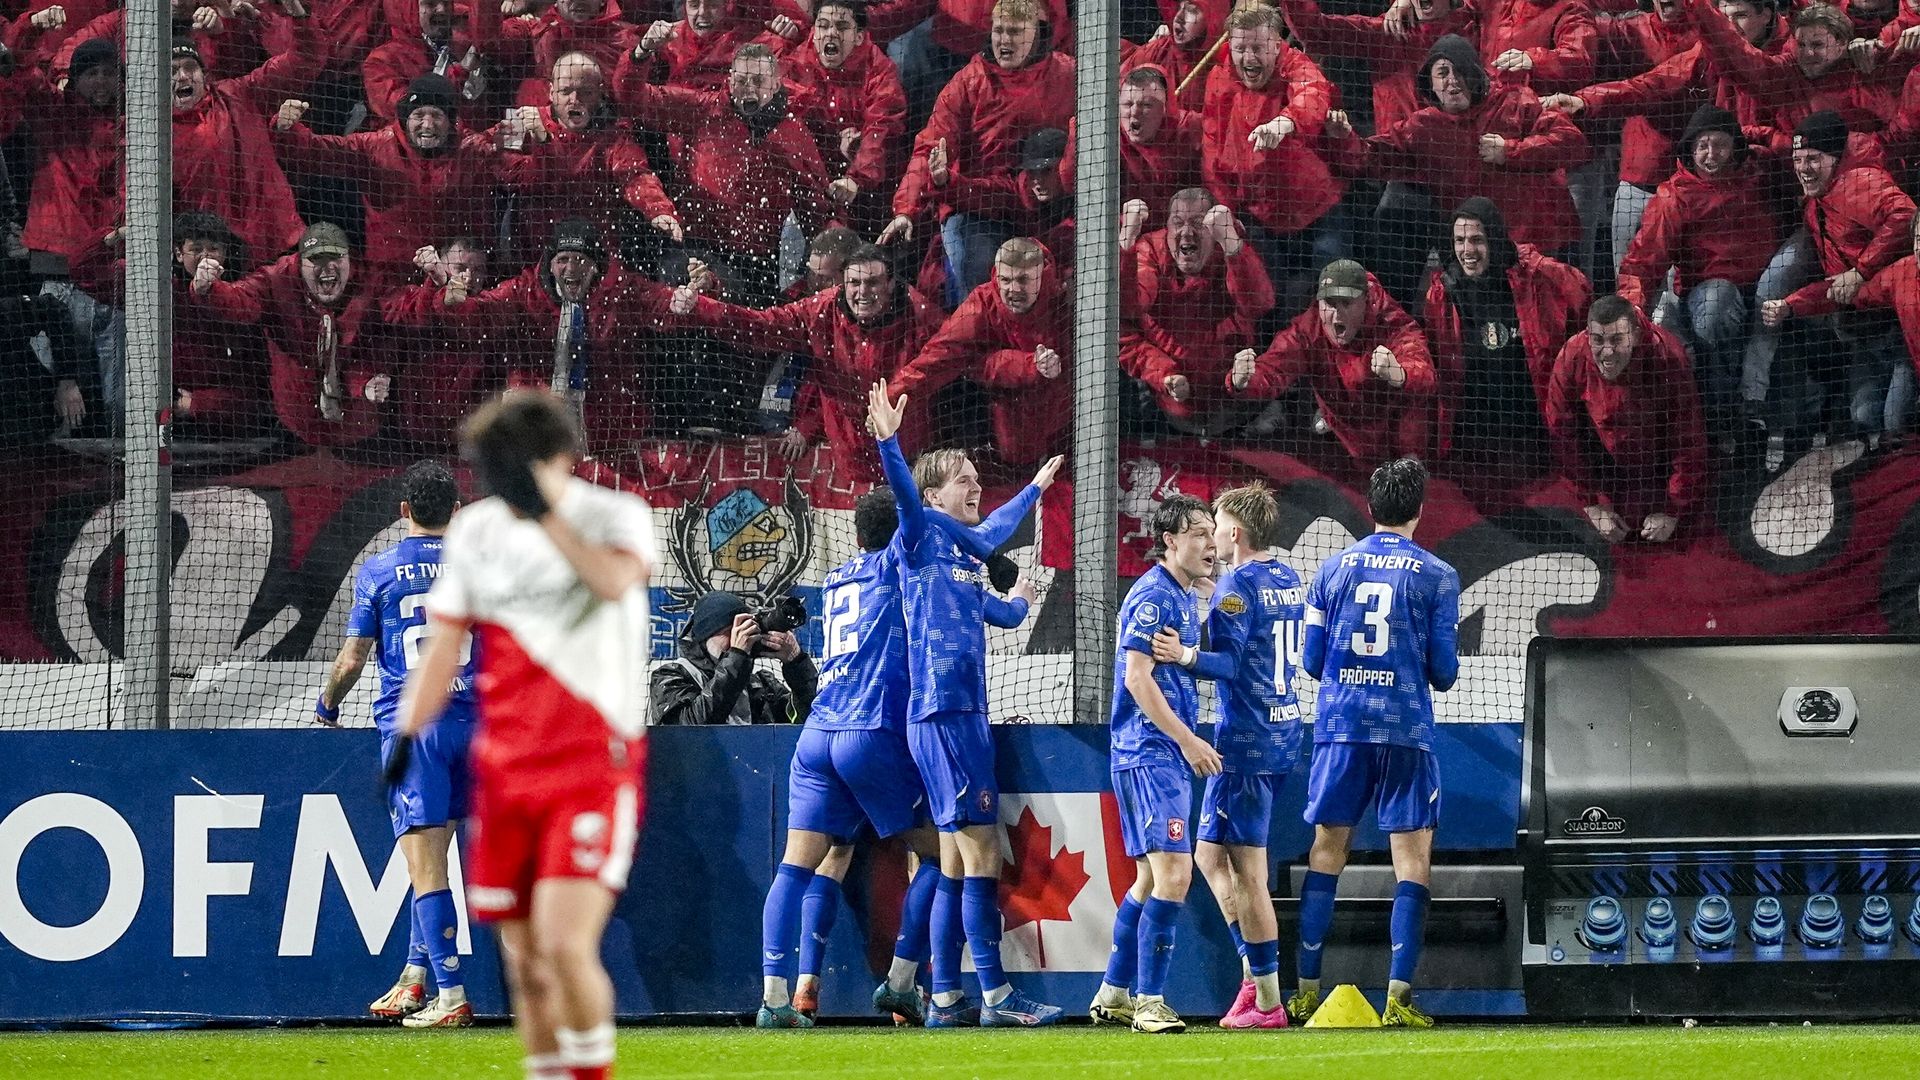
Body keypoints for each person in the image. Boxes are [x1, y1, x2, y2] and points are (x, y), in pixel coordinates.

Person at [399, 389, 658, 1080]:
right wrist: (405, 734)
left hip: (592, 763)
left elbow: (615, 582)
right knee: (526, 963)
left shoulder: (616, 515)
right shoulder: (475, 531)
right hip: (505, 770)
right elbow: (444, 643)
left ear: (559, 458)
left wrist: (545, 514)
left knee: (564, 944)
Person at [867, 379, 1065, 1028]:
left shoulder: (962, 557)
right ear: (931, 498)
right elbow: (904, 494)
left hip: (963, 716)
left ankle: (946, 997)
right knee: (981, 853)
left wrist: (1024, 596)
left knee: (954, 859)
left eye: (979, 479)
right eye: (963, 480)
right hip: (944, 716)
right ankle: (998, 998)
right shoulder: (919, 537)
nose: (977, 487)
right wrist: (890, 442)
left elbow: (1003, 609)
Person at [755, 489, 944, 1028]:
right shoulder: (897, 563)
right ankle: (902, 984)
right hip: (870, 729)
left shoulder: (838, 577)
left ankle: (775, 999)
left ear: (857, 535)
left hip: (818, 730)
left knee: (797, 865)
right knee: (942, 855)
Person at [1291, 456, 1460, 1029]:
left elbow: (1311, 661)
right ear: (1419, 510)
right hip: (1405, 730)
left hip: (1341, 727)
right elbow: (1444, 673)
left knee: (1326, 850)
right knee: (1411, 861)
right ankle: (1398, 1000)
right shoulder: (1437, 574)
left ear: (1369, 506)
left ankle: (1305, 994)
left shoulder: (1331, 570)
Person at [315, 461, 477, 1028]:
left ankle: (451, 996)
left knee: (424, 863)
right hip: (472, 726)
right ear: (457, 511)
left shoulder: (380, 570)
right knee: (430, 859)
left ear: (403, 510)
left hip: (415, 730)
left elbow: (352, 659)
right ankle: (414, 978)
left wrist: (327, 705)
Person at [1149, 482, 1304, 1030]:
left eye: (1214, 526)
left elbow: (1230, 665)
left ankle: (1268, 1002)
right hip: (1283, 731)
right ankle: (1253, 975)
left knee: (1249, 873)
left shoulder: (1236, 585)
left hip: (1246, 743)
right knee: (1210, 857)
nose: (1211, 537)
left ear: (1234, 532)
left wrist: (1185, 654)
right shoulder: (1285, 576)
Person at [1322, 33, 1588, 305]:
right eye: (1442, 73)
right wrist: (1344, 138)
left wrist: (1510, 151)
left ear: (1475, 74)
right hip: (1478, 259)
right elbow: (1370, 158)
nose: (1452, 80)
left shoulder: (1516, 101)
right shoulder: (1423, 127)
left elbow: (1572, 142)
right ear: (1430, 84)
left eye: (1459, 70)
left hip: (1541, 248)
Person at [1088, 492, 1219, 1035]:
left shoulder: (1182, 594)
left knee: (1147, 878)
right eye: (1198, 533)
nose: (1210, 543)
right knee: (1174, 874)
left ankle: (1113, 992)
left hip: (1155, 753)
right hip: (1150, 752)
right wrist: (1188, 741)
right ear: (1168, 540)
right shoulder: (1154, 597)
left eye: (1212, 532)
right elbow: (1137, 679)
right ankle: (1150, 1003)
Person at [675, 242, 945, 478]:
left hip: (908, 458)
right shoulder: (820, 310)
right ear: (843, 283)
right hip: (852, 464)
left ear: (891, 284)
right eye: (854, 283)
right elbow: (760, 327)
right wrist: (703, 305)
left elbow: (952, 354)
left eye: (872, 282)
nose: (862, 291)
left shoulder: (920, 314)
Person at [884, 0, 1075, 302]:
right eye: (999, 31)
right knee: (980, 275)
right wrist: (906, 209)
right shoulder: (969, 81)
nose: (1004, 40)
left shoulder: (1069, 75)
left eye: (1015, 31)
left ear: (1038, 32)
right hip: (977, 205)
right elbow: (929, 147)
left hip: (1045, 204)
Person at [615, 42, 832, 303]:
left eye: (758, 81)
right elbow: (633, 98)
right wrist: (639, 54)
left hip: (760, 264)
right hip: (695, 249)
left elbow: (818, 207)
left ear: (776, 84)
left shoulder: (794, 135)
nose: (748, 87)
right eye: (741, 80)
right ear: (729, 82)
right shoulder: (702, 110)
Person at [1616, 106, 1780, 445]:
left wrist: (1757, 133)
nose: (1711, 154)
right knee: (1717, 305)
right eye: (1702, 146)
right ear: (1690, 150)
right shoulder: (1674, 197)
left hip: (1762, 285)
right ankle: (1721, 419)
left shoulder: (1760, 171)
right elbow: (1643, 261)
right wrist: (1630, 310)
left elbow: (1786, 144)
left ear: (1735, 147)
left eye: (1720, 145)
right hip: (1707, 293)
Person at [1758, 111, 1915, 449]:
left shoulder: (1859, 182)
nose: (1803, 168)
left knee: (1895, 426)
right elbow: (1837, 285)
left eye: (1813, 158)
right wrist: (1790, 304)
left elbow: (1905, 215)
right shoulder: (1818, 201)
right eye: (1798, 160)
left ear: (1835, 157)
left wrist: (1861, 271)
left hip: (1898, 326)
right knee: (1864, 417)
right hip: (1863, 330)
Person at [273, 74, 507, 287]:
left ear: (451, 121)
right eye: (419, 115)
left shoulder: (469, 150)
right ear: (405, 119)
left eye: (437, 115)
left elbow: (511, 162)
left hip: (453, 279)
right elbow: (319, 153)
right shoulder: (376, 147)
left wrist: (519, 130)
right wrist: (287, 131)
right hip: (390, 282)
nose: (427, 125)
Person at [188, 221, 399, 448]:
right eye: (316, 260)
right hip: (297, 426)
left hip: (363, 428)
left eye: (335, 258)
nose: (327, 268)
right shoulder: (277, 279)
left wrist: (435, 296)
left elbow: (406, 307)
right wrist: (208, 290)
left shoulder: (371, 280)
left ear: (349, 258)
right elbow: (241, 299)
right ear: (300, 261)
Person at [1423, 197, 1589, 471]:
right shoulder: (1443, 295)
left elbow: (1583, 311)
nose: (1467, 250)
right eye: (1459, 240)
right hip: (1477, 439)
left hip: (1537, 432)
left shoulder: (1541, 278)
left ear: (1495, 240)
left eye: (1477, 240)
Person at [1197, 2, 1345, 311]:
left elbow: (1313, 90)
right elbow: (1212, 151)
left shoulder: (1295, 65)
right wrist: (1229, 212)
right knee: (1269, 306)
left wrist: (1285, 122)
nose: (1249, 58)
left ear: (1276, 46)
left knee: (1332, 296)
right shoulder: (1219, 81)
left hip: (1317, 214)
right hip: (1260, 218)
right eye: (1240, 48)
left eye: (1258, 48)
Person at [1230, 259, 1438, 470]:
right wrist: (1244, 380)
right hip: (1346, 421)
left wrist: (1401, 375)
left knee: (1411, 415)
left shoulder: (1392, 323)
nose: (1337, 315)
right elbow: (1275, 366)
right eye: (1330, 304)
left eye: (1346, 303)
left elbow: (1424, 371)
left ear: (1365, 300)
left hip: (1392, 426)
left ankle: (1410, 458)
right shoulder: (1308, 329)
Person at [1543, 294, 1710, 544]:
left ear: (1636, 335)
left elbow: (1689, 436)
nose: (1607, 353)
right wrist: (1591, 503)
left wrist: (1673, 509)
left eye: (1617, 340)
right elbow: (1562, 434)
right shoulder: (1571, 356)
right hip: (1603, 457)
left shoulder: (1668, 356)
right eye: (1598, 340)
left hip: (1655, 456)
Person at [890, 237, 1071, 466]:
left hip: (1071, 415)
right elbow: (937, 357)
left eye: (1023, 280)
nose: (1013, 289)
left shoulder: (1067, 299)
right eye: (1006, 280)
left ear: (1041, 275)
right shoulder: (982, 303)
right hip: (1012, 417)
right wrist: (891, 399)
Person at [1120, 189, 1274, 436]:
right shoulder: (1151, 249)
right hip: (1174, 407)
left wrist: (1232, 247)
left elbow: (1260, 304)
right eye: (1178, 222)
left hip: (1238, 401)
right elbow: (1131, 306)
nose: (1187, 232)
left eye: (1198, 223)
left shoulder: (1227, 241)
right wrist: (1126, 244)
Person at [649, 590, 818, 725]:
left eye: (744, 631)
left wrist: (796, 661)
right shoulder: (671, 676)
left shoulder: (762, 685)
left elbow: (812, 718)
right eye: (729, 632)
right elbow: (689, 730)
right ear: (705, 637)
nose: (739, 638)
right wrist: (737, 655)